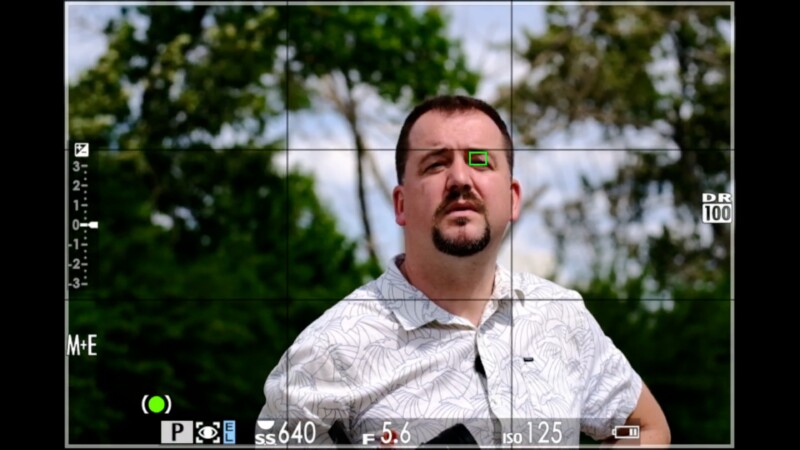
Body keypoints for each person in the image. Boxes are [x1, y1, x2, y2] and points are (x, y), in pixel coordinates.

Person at [258, 95, 670, 447]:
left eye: (480, 162)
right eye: (435, 164)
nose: (460, 178)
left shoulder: (561, 315)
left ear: (512, 199)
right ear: (400, 205)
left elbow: (644, 427)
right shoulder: (330, 350)